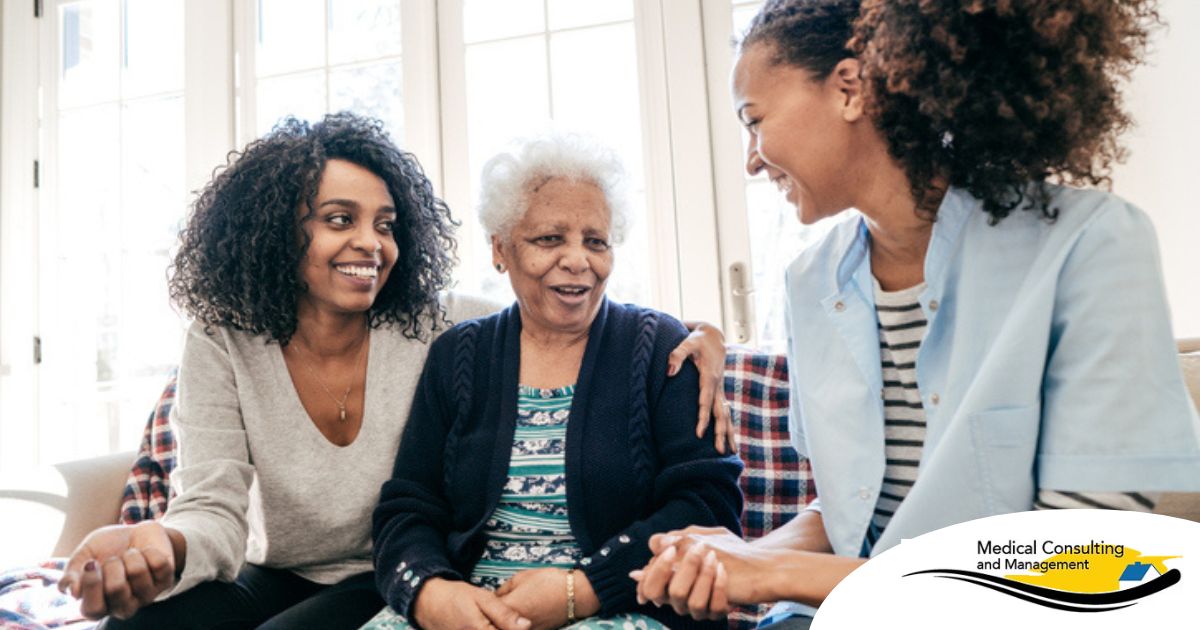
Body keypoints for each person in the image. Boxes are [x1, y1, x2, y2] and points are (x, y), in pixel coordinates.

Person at [633, 0, 1200, 625]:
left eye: (754, 119)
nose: (751, 158)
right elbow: (849, 510)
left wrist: (773, 571)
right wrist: (734, 556)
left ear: (849, 88)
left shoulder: (1091, 245)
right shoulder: (809, 281)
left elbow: (1085, 564)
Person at [55, 113, 730, 629]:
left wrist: (705, 334)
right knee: (141, 622)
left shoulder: (438, 325)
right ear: (276, 232)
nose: (370, 244)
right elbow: (214, 511)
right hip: (282, 566)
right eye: (339, 220)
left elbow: (557, 310)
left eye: (385, 223)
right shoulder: (225, 341)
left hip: (378, 575)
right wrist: (161, 544)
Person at [363, 133, 744, 630]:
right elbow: (408, 507)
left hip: (622, 606)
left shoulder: (661, 349)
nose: (577, 260)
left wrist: (582, 590)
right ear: (500, 249)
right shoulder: (459, 354)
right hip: (474, 611)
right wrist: (432, 593)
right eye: (549, 239)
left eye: (596, 241)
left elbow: (708, 508)